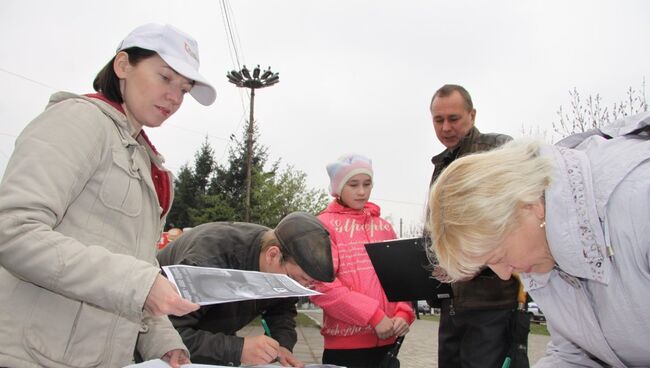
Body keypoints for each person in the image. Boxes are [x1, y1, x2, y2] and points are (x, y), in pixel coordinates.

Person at [0, 23, 215, 368]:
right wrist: (141, 284)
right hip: (30, 356)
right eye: (165, 77)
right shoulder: (78, 121)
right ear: (123, 66)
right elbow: (13, 231)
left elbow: (137, 270)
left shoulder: (147, 161)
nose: (175, 97)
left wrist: (164, 343)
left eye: (184, 89)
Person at [426, 112, 650, 367]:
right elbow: (575, 352)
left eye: (497, 258)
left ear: (529, 206)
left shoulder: (640, 204)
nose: (503, 274)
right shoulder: (543, 251)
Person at [157, 211, 335, 367]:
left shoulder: (280, 266)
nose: (299, 289)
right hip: (157, 336)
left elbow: (281, 309)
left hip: (213, 335)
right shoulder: (209, 263)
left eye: (307, 284)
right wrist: (238, 348)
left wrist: (282, 345)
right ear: (273, 254)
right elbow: (167, 333)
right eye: (296, 280)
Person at [427, 84, 521, 368]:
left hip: (492, 303)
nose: (445, 127)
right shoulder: (442, 163)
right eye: (438, 120)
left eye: (453, 118)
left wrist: (468, 261)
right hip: (453, 302)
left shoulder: (497, 150)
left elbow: (514, 220)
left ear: (473, 115)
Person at [310, 154, 415, 368]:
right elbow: (321, 284)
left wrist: (404, 312)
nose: (361, 191)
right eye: (353, 184)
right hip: (345, 347)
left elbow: (401, 277)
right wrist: (373, 316)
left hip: (388, 343)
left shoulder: (384, 227)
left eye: (367, 184)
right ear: (338, 187)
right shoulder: (322, 226)